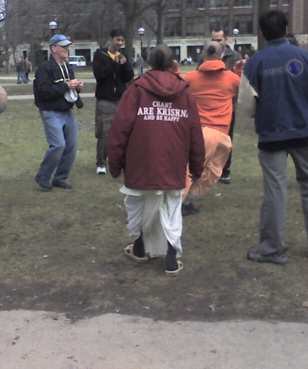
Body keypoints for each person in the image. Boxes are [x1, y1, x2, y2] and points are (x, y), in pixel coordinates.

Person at [238, 10, 308, 264]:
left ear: (263, 33)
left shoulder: (255, 62)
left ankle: (272, 249)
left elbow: (246, 106)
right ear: (287, 30)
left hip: (271, 134)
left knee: (275, 190)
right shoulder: (305, 57)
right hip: (304, 130)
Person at [107, 45, 204, 276]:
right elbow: (195, 133)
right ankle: (171, 258)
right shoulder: (184, 93)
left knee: (138, 208)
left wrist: (115, 164)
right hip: (173, 163)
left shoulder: (136, 90)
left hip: (140, 163)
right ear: (173, 64)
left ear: (149, 62)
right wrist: (197, 166)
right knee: (171, 210)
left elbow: (119, 130)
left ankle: (140, 249)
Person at [181, 42, 241, 216]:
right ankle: (182, 201)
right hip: (220, 134)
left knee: (191, 171)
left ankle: (182, 201)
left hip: (196, 131)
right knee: (211, 171)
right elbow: (241, 87)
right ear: (221, 56)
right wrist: (237, 72)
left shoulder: (191, 78)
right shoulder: (230, 78)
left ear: (203, 54)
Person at [33, 34, 83, 191]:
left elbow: (68, 89)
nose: (67, 49)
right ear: (53, 48)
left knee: (72, 146)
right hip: (51, 111)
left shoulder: (68, 67)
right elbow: (43, 92)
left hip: (67, 111)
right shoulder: (44, 69)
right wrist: (66, 85)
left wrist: (76, 89)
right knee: (58, 145)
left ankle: (60, 178)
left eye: (67, 46)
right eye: (63, 46)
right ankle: (43, 176)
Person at [92, 29, 134, 175]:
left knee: (123, 132)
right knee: (104, 132)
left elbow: (129, 77)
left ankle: (121, 161)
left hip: (121, 99)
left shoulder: (123, 55)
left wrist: (124, 64)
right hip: (105, 100)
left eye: (122, 40)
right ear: (111, 39)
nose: (120, 43)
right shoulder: (100, 55)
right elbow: (100, 75)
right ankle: (101, 163)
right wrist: (113, 63)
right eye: (117, 40)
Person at [210, 28, 243, 184]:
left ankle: (225, 171)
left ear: (226, 40)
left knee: (226, 139)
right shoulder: (207, 55)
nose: (216, 43)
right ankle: (210, 169)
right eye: (214, 40)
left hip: (229, 105)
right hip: (210, 104)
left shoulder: (235, 57)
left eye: (219, 40)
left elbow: (239, 81)